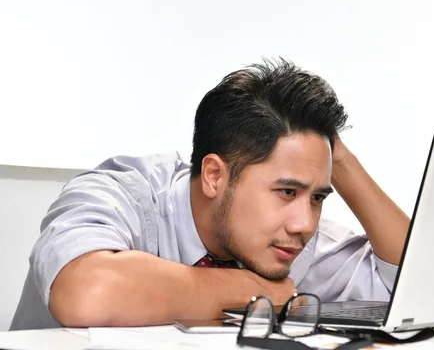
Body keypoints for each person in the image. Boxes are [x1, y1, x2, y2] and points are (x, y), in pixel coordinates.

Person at [10, 59, 410, 330]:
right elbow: (87, 294)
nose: (305, 223)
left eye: (318, 197)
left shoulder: (289, 239)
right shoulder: (123, 194)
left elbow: (412, 289)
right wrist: (262, 294)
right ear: (215, 175)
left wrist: (339, 161)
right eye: (286, 191)